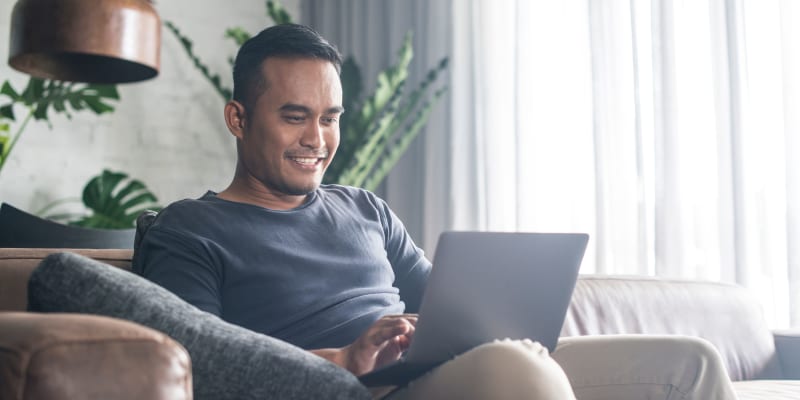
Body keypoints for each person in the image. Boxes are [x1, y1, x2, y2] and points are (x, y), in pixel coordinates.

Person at [134, 23, 738, 399]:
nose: (317, 138)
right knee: (514, 370)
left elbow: (450, 309)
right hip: (347, 388)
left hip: (447, 374)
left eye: (330, 117)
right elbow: (195, 368)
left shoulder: (365, 210)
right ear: (238, 118)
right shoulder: (190, 230)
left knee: (687, 361)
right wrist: (343, 359)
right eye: (295, 116)